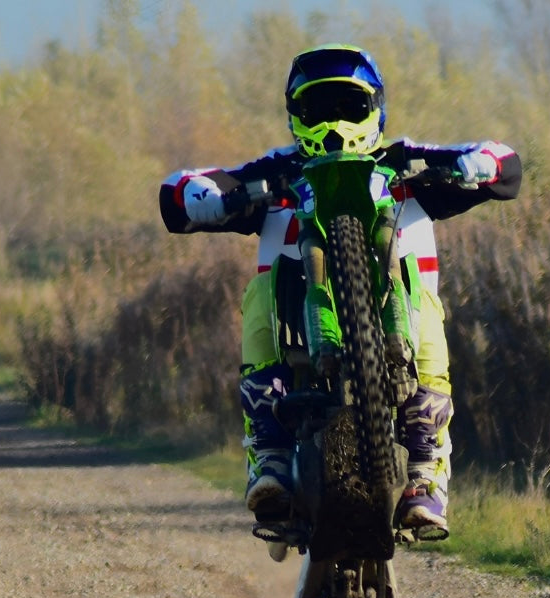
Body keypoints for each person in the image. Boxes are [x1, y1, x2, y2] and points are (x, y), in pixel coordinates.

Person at [159, 43, 521, 540]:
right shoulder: (276, 171)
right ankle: (269, 453)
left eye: (348, 107)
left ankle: (425, 469)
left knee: (425, 303)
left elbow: (506, 162)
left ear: (374, 107)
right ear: (296, 115)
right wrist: (207, 197)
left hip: (401, 316)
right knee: (259, 291)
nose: (334, 123)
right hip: (293, 324)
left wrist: (479, 165)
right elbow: (177, 190)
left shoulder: (406, 160)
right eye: (318, 110)